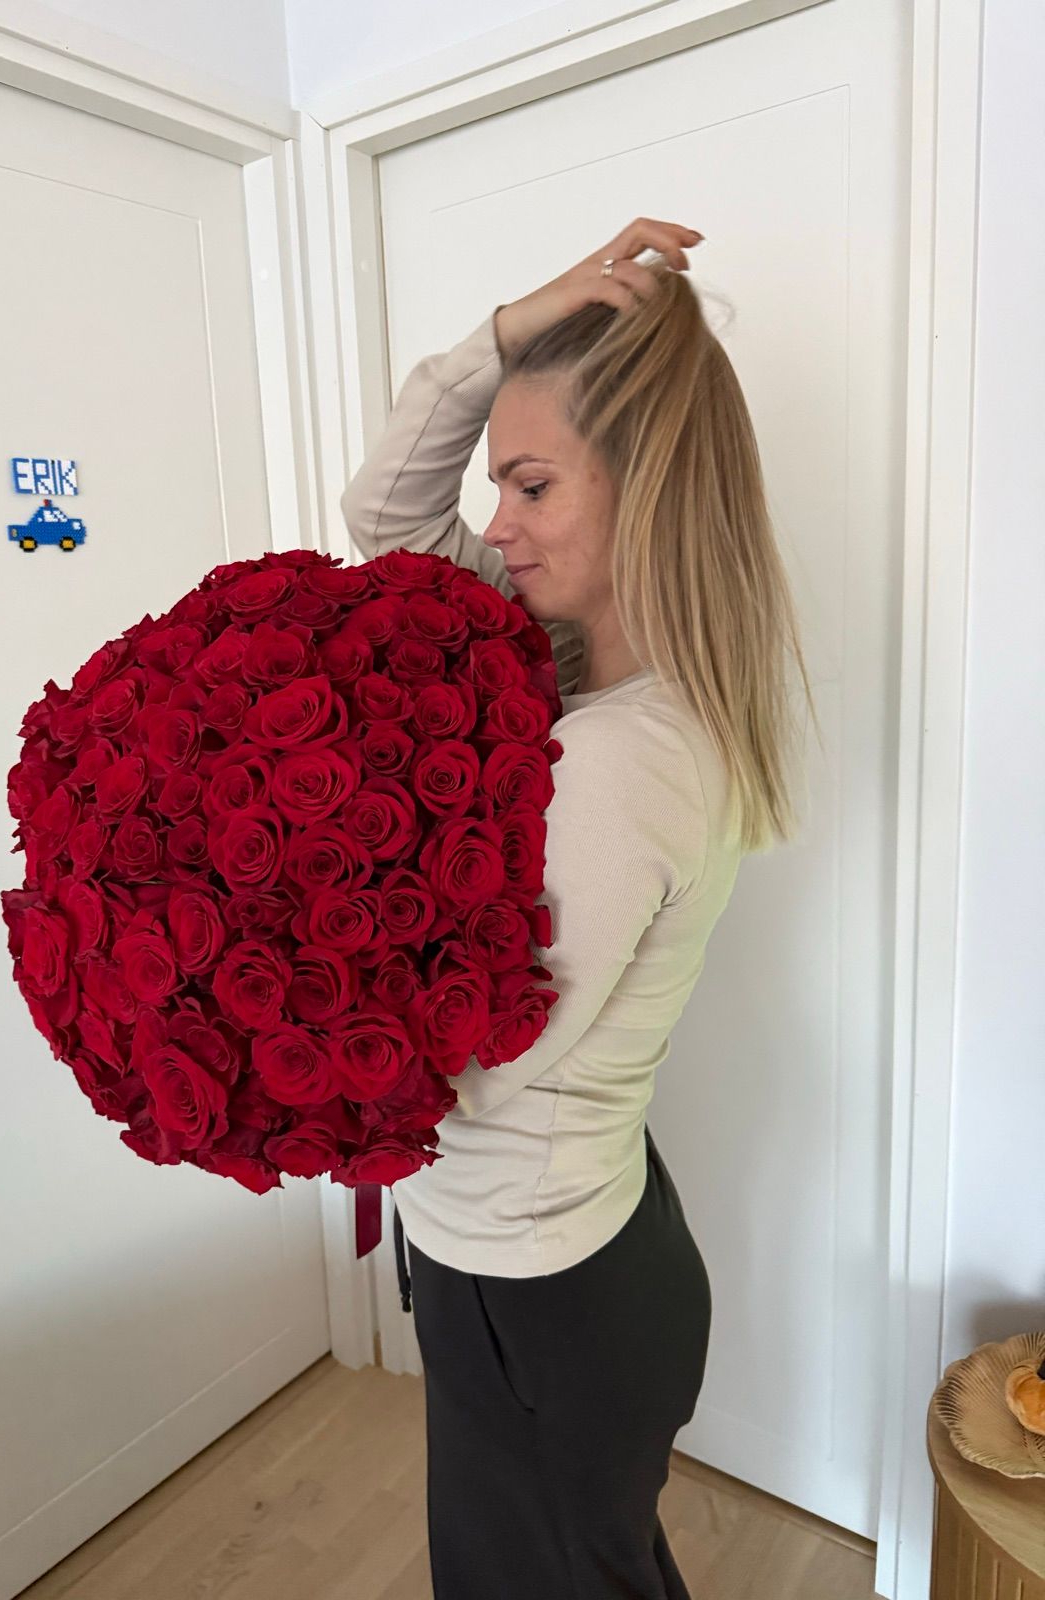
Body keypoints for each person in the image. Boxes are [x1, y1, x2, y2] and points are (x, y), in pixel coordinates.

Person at [338, 217, 820, 1600]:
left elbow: (481, 1055)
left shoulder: (619, 759)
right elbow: (388, 525)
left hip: (536, 1295)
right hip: (578, 1249)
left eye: (533, 484)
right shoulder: (582, 664)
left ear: (647, 486)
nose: (497, 523)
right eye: (500, 483)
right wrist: (508, 335)